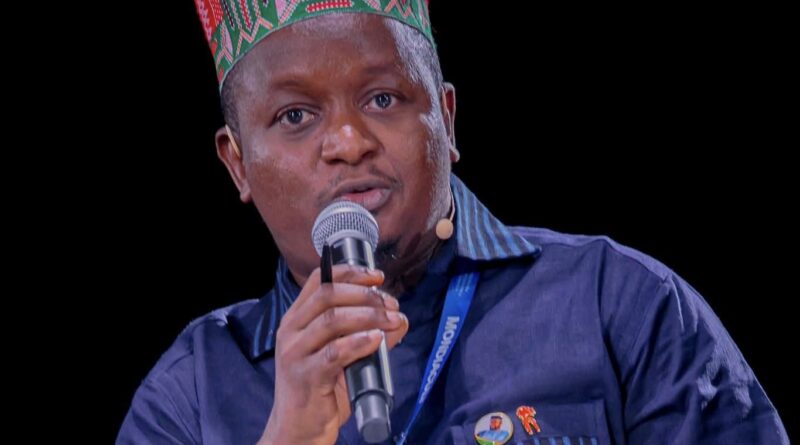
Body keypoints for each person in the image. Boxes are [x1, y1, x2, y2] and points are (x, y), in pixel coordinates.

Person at [117, 2, 789, 444]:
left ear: (445, 117)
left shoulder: (621, 303)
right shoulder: (188, 395)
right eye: (296, 116)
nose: (348, 141)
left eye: (383, 98)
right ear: (238, 164)